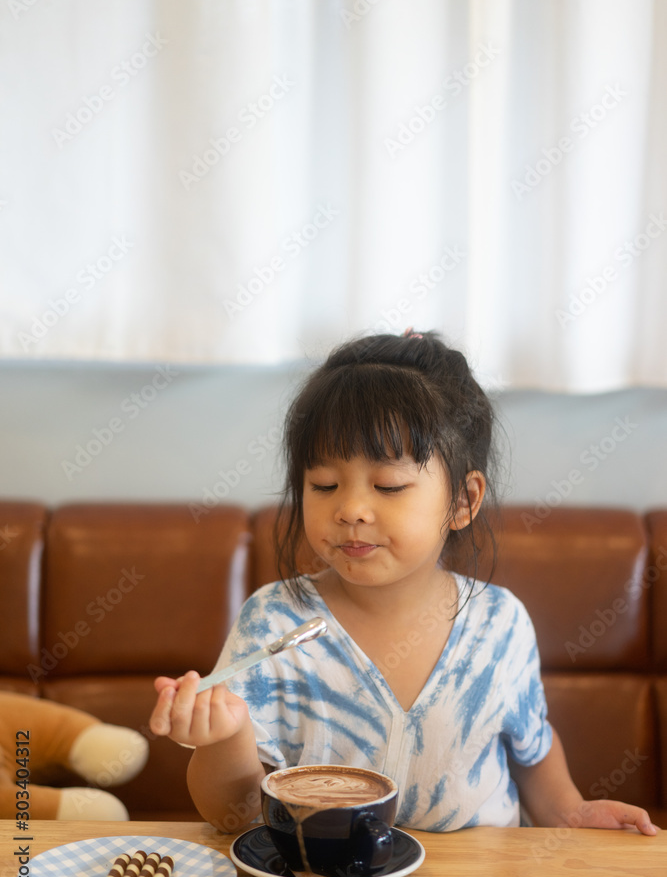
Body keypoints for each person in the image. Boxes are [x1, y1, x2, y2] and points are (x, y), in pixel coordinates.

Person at [149, 330, 658, 836]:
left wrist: (572, 813)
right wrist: (225, 738)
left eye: (389, 486)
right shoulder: (273, 622)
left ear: (463, 500)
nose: (350, 509)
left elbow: (533, 753)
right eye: (324, 485)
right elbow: (232, 815)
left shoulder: (500, 623)